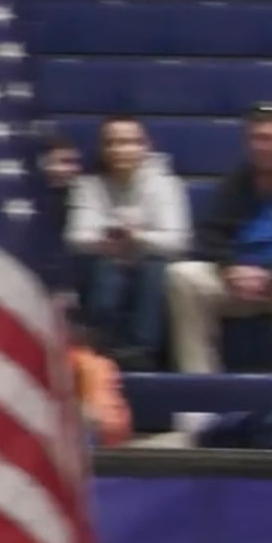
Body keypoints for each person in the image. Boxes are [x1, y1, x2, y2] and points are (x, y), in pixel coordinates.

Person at [165, 102, 272, 374]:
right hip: (236, 282)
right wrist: (231, 268)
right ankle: (200, 385)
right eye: (257, 139)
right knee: (182, 275)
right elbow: (209, 237)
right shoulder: (234, 184)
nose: (264, 146)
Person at [68, 116, 191, 371]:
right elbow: (76, 237)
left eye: (127, 142)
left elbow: (178, 241)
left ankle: (141, 352)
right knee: (105, 268)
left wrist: (136, 237)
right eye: (111, 143)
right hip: (104, 261)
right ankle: (102, 348)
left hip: (150, 263)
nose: (118, 150)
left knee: (154, 268)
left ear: (144, 146)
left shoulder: (166, 185)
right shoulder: (87, 185)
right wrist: (111, 239)